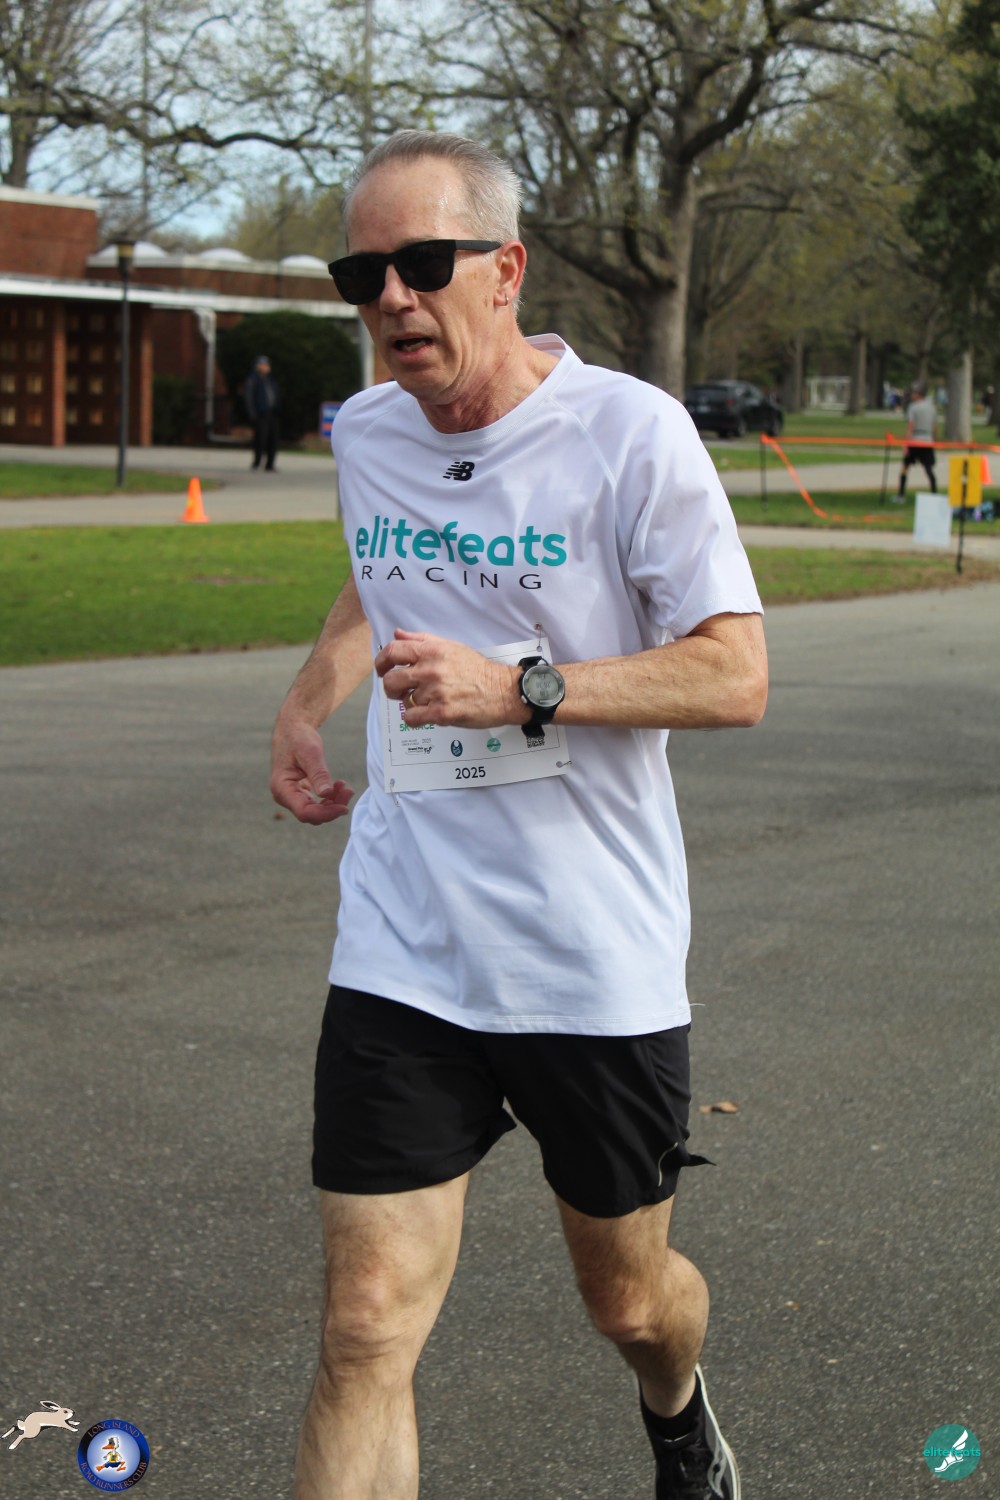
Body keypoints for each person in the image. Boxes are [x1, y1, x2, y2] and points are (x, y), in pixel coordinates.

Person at [270, 129, 768, 1500]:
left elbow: (734, 675)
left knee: (629, 1304)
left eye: (421, 264)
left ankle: (678, 1408)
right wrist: (306, 703)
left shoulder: (628, 435)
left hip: (588, 955)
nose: (389, 298)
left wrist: (522, 689)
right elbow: (378, 571)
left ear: (505, 269)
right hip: (406, 942)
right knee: (366, 1322)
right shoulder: (370, 431)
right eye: (359, 275)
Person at [897, 382, 938, 499]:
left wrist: (906, 443)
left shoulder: (913, 407)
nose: (912, 395)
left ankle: (901, 495)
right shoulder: (932, 408)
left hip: (915, 440)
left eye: (914, 393)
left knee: (905, 467)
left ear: (919, 394)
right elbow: (934, 427)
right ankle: (934, 494)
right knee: (928, 469)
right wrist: (933, 440)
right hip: (928, 440)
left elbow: (911, 426)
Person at [245, 353, 280, 471]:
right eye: (264, 364)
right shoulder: (253, 379)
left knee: (273, 439)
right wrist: (252, 413)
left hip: (272, 413)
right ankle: (257, 462)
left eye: (267, 365)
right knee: (260, 439)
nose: (266, 367)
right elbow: (249, 397)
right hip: (261, 414)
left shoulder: (270, 380)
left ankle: (270, 464)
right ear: (258, 366)